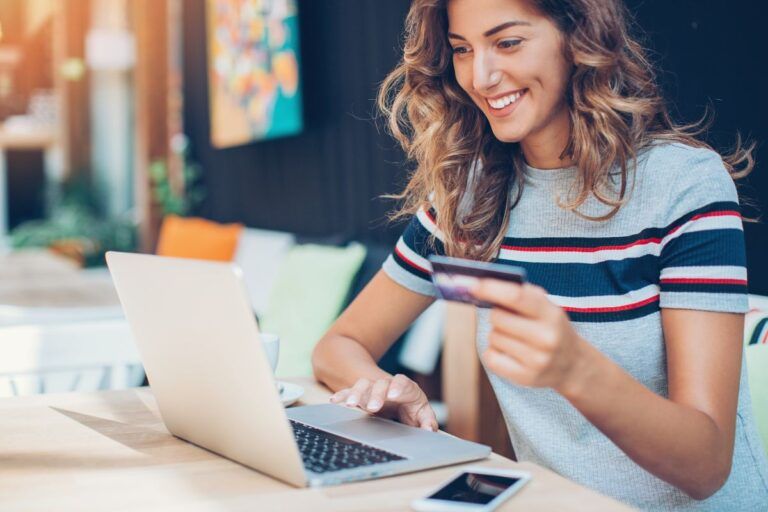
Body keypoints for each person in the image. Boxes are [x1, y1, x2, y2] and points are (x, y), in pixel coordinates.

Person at [311, 0, 768, 509]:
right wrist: (383, 389)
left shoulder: (683, 186)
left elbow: (706, 466)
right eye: (463, 50)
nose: (481, 77)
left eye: (507, 43)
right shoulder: (468, 201)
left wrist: (576, 370)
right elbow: (339, 344)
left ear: (579, 37)